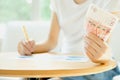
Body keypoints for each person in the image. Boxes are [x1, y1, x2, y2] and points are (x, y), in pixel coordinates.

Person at [17, 0, 120, 80]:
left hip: (96, 65)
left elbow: (103, 47)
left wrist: (104, 56)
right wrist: (28, 47)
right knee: (27, 76)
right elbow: (51, 42)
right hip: (65, 61)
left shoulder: (108, 1)